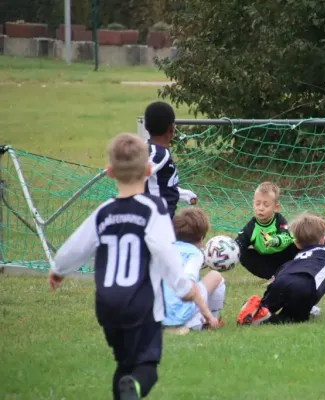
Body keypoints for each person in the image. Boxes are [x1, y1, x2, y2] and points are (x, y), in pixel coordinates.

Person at [47, 133, 218, 400]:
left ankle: (127, 391)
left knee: (124, 364)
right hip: (141, 304)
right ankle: (136, 387)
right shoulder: (154, 211)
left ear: (110, 172)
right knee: (145, 368)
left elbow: (77, 246)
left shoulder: (103, 211)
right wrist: (186, 289)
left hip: (106, 304)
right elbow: (166, 253)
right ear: (149, 170)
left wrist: (59, 269)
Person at [235, 181, 325, 285]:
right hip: (270, 261)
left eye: (266, 204)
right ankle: (276, 277)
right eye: (258, 204)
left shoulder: (279, 220)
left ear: (276, 207)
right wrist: (228, 250)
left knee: (304, 246)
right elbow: (240, 242)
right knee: (244, 255)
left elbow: (286, 236)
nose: (261, 208)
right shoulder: (251, 227)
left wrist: (274, 240)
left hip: (289, 254)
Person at [236, 212, 325, 325]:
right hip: (303, 286)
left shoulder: (297, 256)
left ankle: (258, 308)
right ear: (322, 240)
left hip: (281, 279)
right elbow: (324, 241)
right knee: (291, 318)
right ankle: (266, 320)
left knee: (268, 305)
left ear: (297, 244)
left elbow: (283, 268)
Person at [162, 207, 227, 335]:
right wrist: (208, 314)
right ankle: (209, 321)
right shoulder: (195, 254)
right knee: (215, 276)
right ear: (201, 238)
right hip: (179, 313)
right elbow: (189, 285)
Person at [143, 101, 197, 218]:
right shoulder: (159, 154)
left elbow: (159, 185)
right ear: (172, 128)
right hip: (155, 222)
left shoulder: (150, 149)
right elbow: (135, 178)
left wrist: (182, 194)